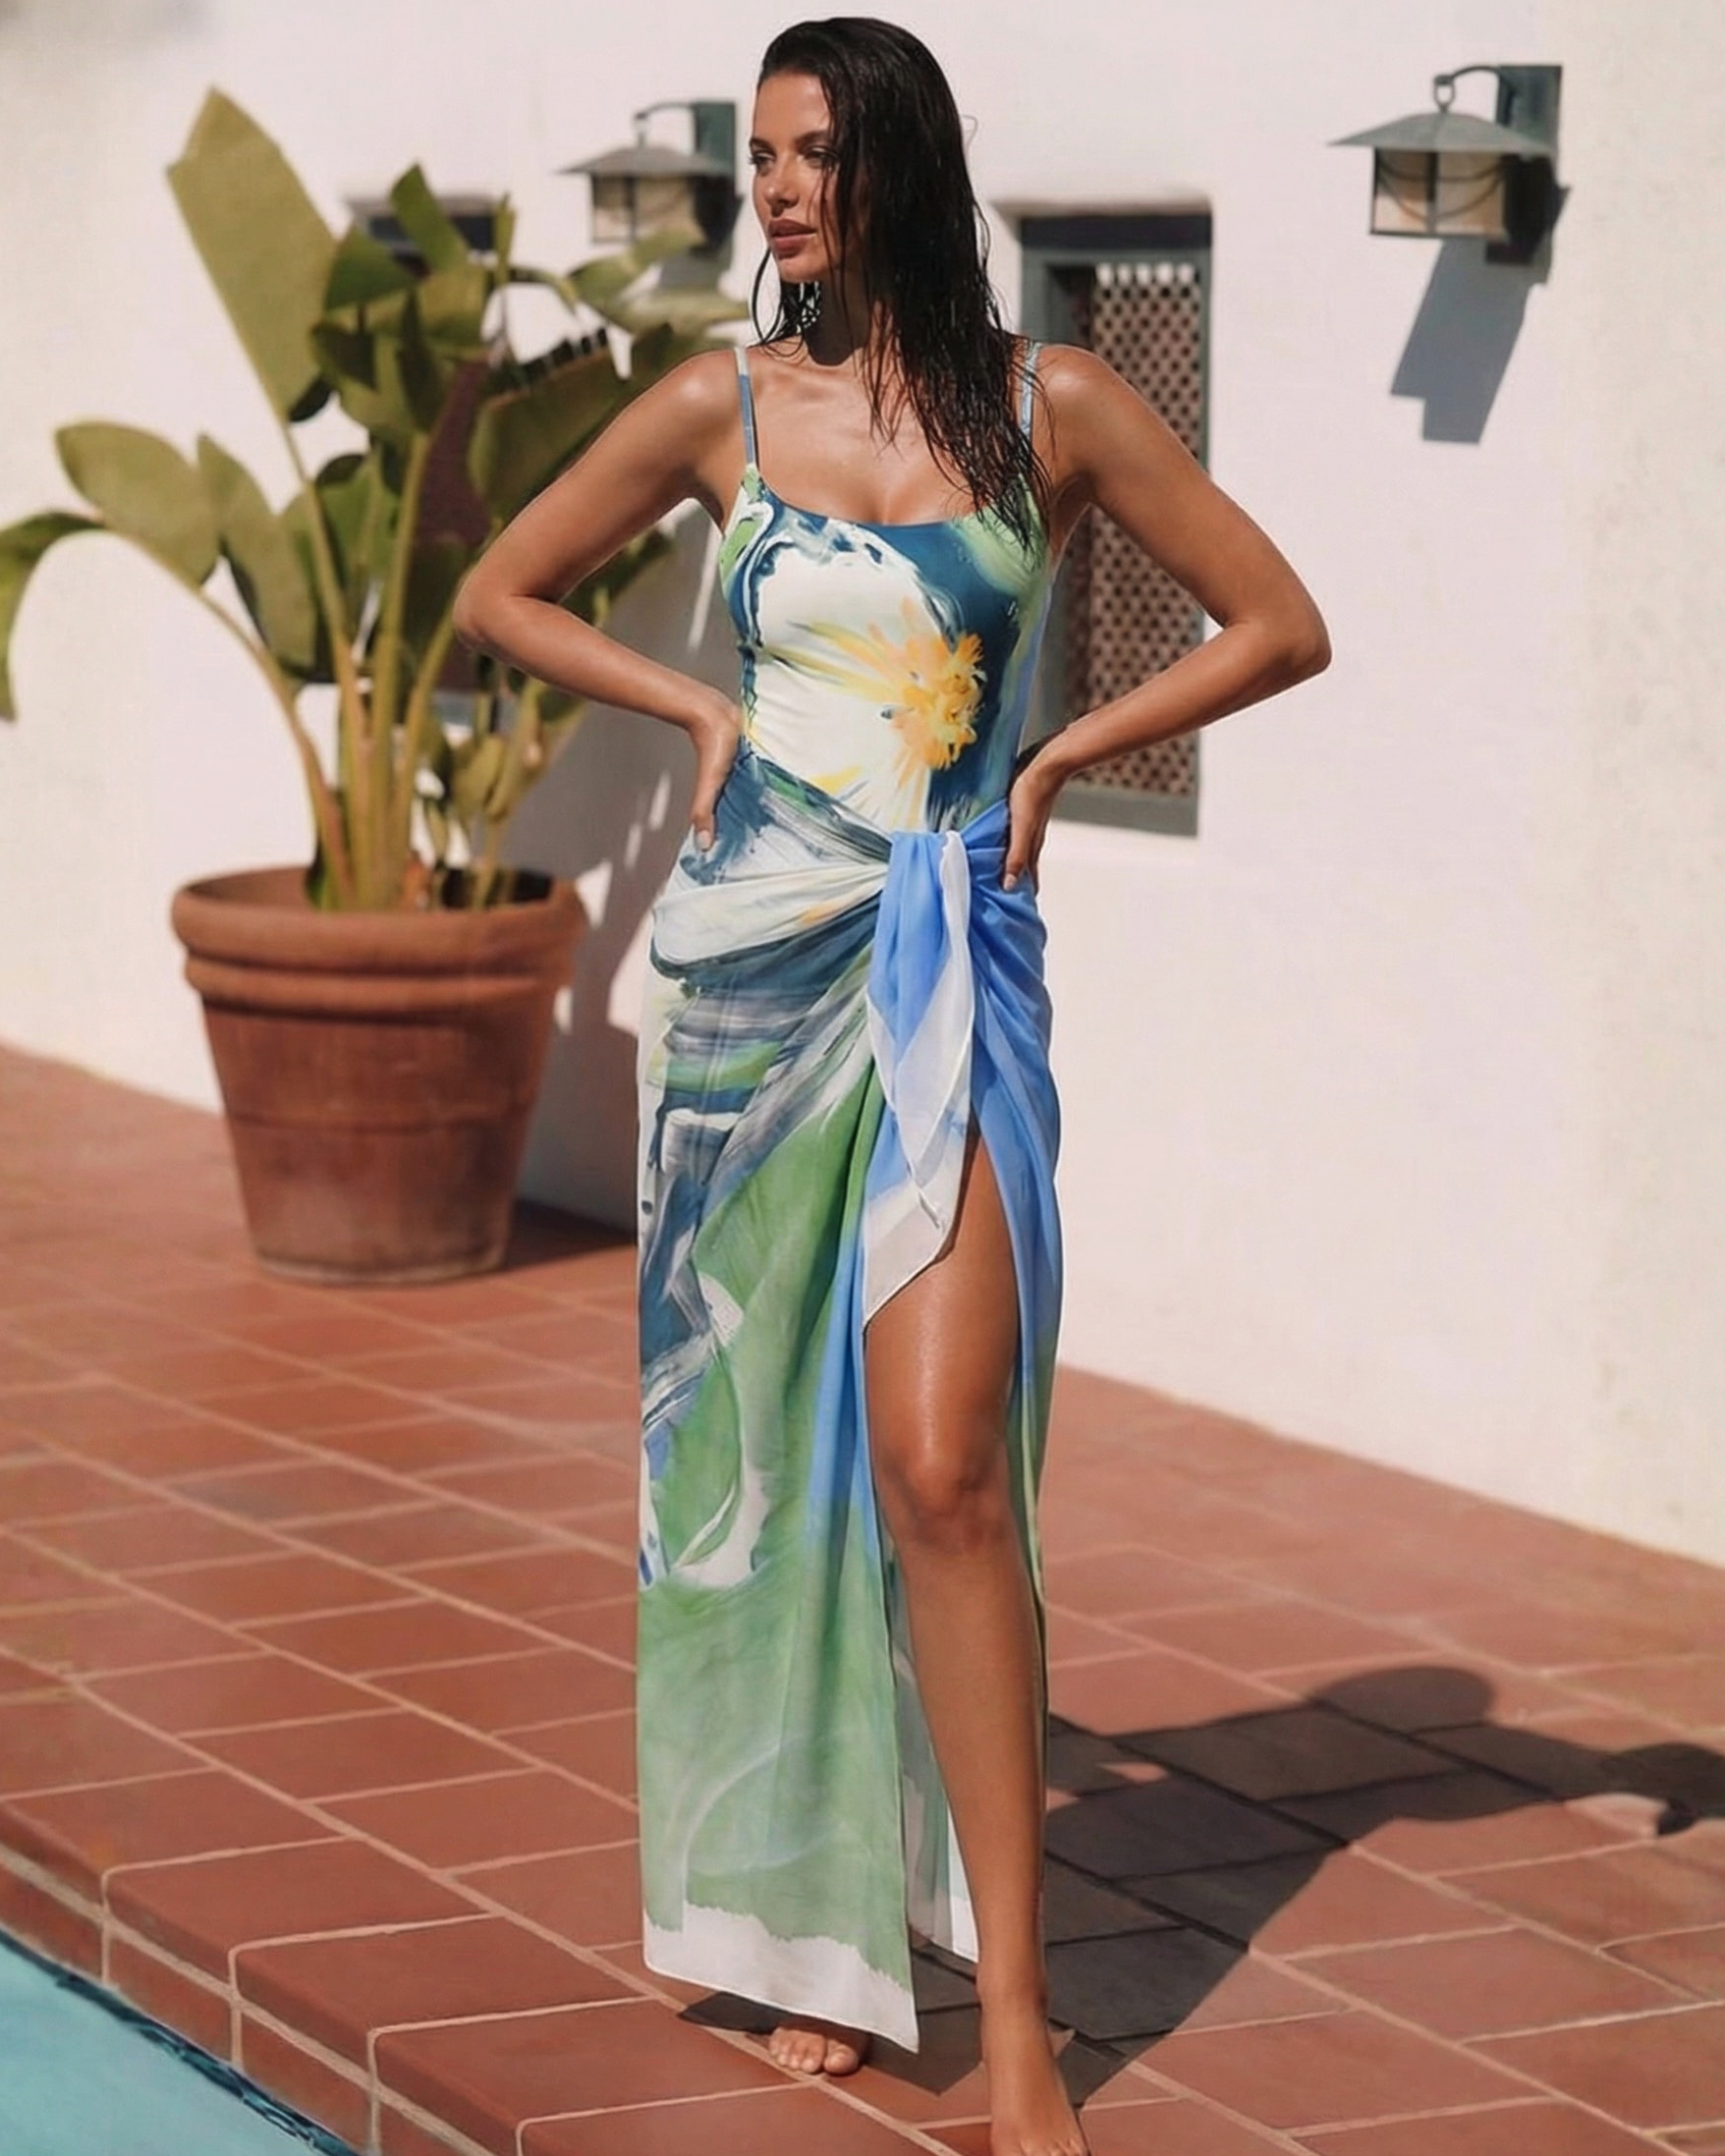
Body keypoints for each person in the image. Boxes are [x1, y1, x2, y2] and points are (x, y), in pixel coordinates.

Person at [454, 19, 1329, 2155]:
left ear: (901, 168)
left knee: (941, 1467)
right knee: (764, 1474)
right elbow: (501, 589)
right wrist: (694, 708)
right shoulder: (716, 405)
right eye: (757, 155)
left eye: (812, 153)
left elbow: (1276, 622)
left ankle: (1014, 2014)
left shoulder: (1056, 407)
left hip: (950, 970)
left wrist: (1061, 750)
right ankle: (817, 1927)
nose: (773, 189)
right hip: (749, 992)